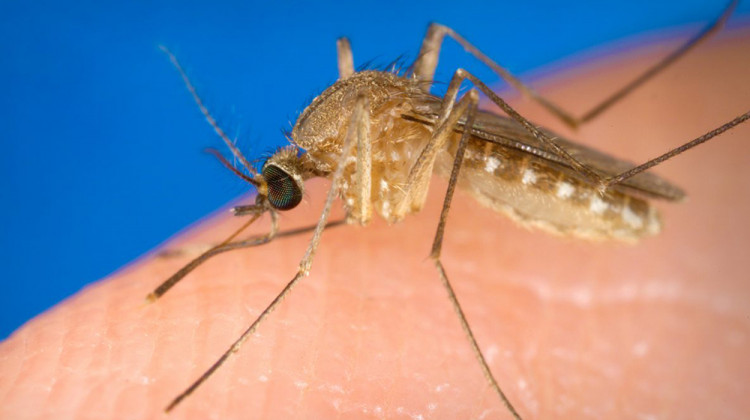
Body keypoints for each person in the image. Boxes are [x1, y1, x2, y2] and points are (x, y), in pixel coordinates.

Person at [1, 31, 748, 420]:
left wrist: (300, 262)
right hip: (419, 134)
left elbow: (363, 108)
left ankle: (586, 137)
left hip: (478, 151)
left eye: (283, 190)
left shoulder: (332, 147)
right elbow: (347, 98)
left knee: (451, 83)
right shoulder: (314, 149)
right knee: (432, 66)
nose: (282, 198)